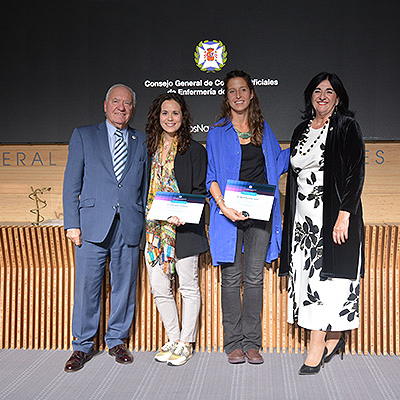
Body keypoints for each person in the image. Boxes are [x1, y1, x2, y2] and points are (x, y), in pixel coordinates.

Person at [280, 72, 365, 375]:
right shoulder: (301, 129)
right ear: (310, 96)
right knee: (310, 280)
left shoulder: (346, 126)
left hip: (332, 217)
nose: (323, 95)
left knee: (328, 281)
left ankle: (317, 344)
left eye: (329, 91)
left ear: (338, 98)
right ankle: (334, 336)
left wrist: (345, 214)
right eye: (317, 90)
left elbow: (355, 173)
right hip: (303, 222)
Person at [62, 83, 148, 372]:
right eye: (116, 101)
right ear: (105, 105)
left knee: (124, 286)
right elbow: (71, 183)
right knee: (87, 287)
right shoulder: (84, 135)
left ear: (132, 109)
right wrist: (71, 224)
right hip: (91, 226)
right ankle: (83, 346)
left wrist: (145, 224)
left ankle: (116, 340)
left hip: (129, 225)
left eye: (126, 103)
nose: (121, 107)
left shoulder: (142, 140)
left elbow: (145, 188)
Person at [206, 70, 289, 364]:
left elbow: (279, 163)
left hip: (260, 215)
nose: (238, 95)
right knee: (230, 280)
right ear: (226, 96)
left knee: (254, 279)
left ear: (252, 94)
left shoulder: (263, 130)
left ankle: (252, 342)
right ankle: (233, 344)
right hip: (228, 214)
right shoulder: (216, 132)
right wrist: (223, 206)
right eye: (232, 91)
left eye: (243, 90)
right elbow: (211, 176)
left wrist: (308, 137)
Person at [143, 93, 208, 366]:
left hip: (184, 230)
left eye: (175, 113)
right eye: (165, 113)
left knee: (188, 288)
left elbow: (199, 192)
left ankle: (186, 343)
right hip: (154, 232)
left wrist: (184, 215)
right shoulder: (147, 150)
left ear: (184, 117)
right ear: (157, 117)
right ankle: (172, 338)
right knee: (160, 288)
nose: (170, 118)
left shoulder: (195, 150)